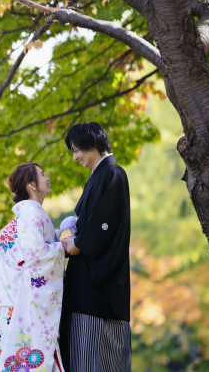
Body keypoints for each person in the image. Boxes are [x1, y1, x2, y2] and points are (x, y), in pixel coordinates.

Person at [59, 122, 131, 372]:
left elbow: (105, 223)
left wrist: (78, 243)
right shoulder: (100, 175)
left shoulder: (113, 173)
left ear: (94, 144)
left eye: (78, 150)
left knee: (97, 358)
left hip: (99, 286)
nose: (75, 157)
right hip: (85, 282)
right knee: (82, 357)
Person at [0, 163, 66, 372]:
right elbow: (36, 255)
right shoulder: (31, 215)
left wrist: (59, 236)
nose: (47, 177)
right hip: (24, 303)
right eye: (42, 174)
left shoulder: (29, 215)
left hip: (17, 300)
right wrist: (65, 248)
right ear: (31, 184)